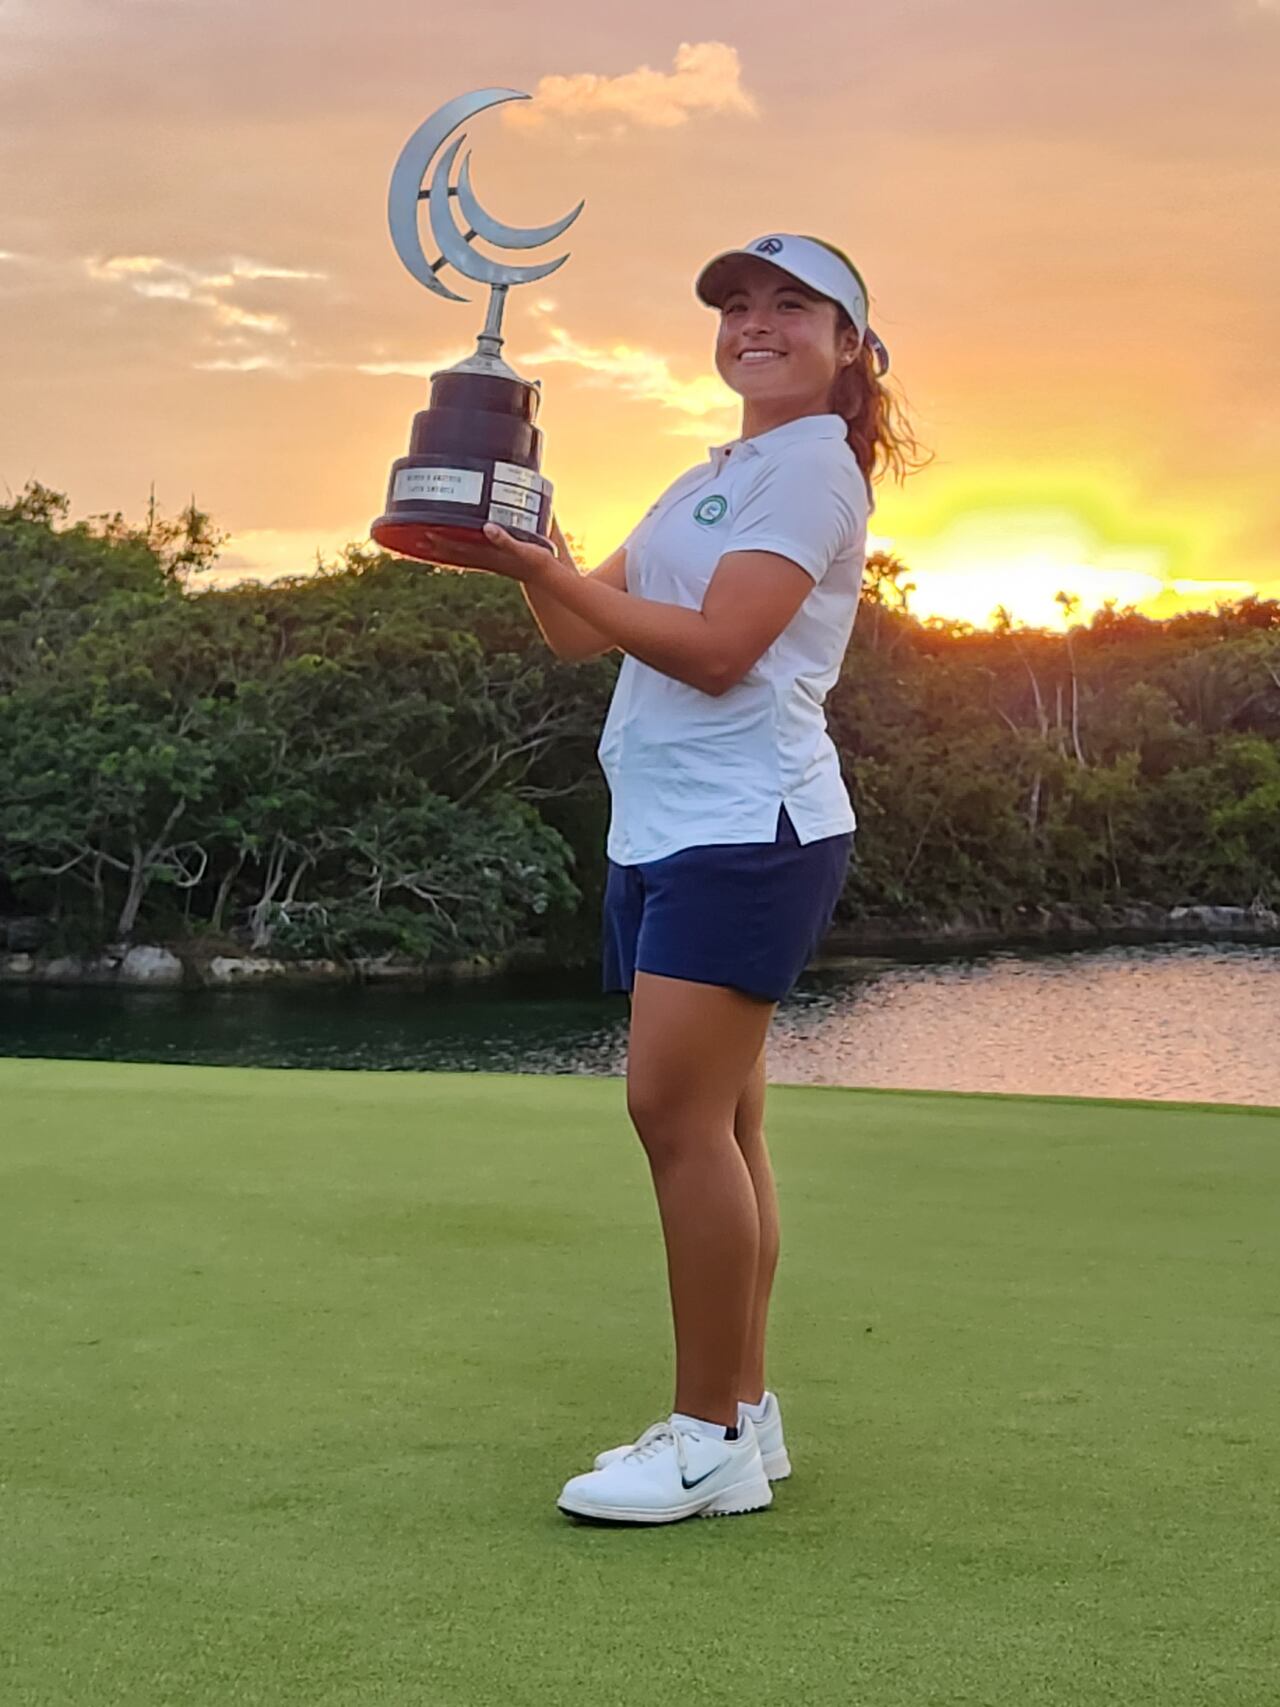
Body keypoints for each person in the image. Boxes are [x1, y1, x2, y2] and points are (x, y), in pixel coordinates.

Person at [410, 233, 923, 1525]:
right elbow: (582, 624)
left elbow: (717, 651)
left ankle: (700, 1442)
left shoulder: (810, 474)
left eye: (790, 306)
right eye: (736, 304)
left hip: (747, 827)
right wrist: (530, 528)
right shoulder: (716, 476)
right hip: (668, 823)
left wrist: (538, 564)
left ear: (850, 346)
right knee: (728, 1127)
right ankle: (745, 1419)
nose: (756, 322)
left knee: (672, 1118)